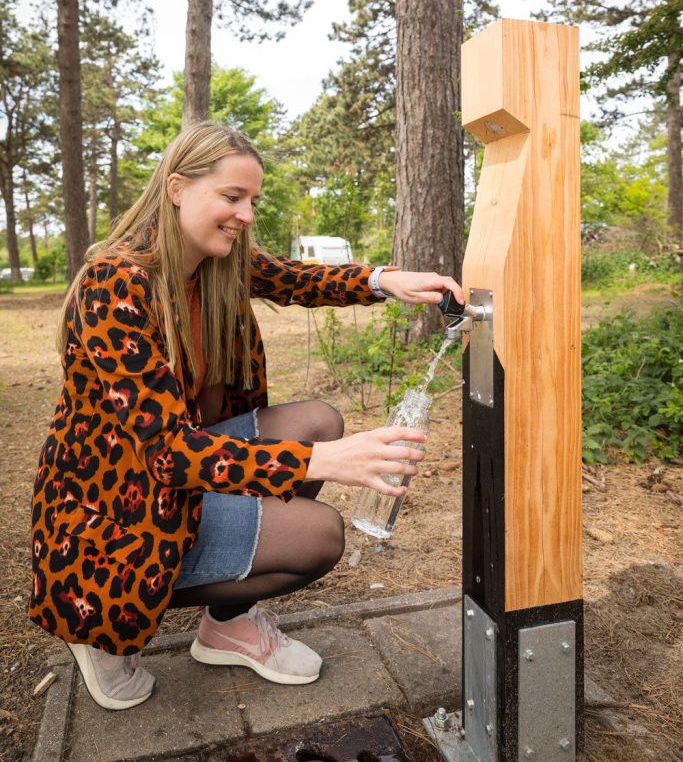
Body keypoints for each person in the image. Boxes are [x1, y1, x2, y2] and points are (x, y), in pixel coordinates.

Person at [29, 122, 464, 711]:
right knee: (319, 534)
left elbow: (299, 278)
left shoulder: (213, 263)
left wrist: (386, 281)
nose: (246, 214)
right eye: (232, 197)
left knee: (316, 419)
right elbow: (167, 453)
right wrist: (322, 462)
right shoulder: (115, 286)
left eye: (252, 200)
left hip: (177, 477)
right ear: (178, 187)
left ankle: (225, 624)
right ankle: (99, 630)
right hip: (113, 513)